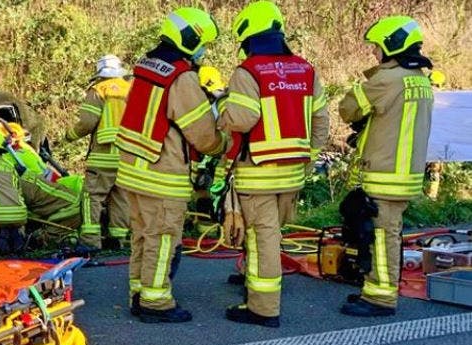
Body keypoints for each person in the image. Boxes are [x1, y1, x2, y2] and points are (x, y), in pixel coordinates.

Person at [217, 1, 330, 327]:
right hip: (293, 172)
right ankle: (254, 290)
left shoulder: (248, 72)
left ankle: (263, 308)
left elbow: (242, 117)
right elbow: (320, 119)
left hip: (259, 173)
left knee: (262, 238)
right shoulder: (306, 70)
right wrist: (308, 157)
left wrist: (223, 108)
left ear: (249, 36)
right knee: (271, 235)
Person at [115, 7, 229, 323]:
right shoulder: (181, 76)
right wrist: (224, 144)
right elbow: (203, 134)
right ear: (190, 39)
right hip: (161, 173)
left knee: (142, 236)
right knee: (163, 238)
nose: (204, 50)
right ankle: (156, 302)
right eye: (203, 42)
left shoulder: (146, 67)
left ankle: (139, 293)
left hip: (133, 170)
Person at [337, 15, 434, 317]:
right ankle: (373, 289)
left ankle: (381, 298)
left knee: (380, 237)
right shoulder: (421, 80)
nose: (374, 53)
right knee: (385, 234)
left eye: (377, 48)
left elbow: (347, 109)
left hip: (384, 174)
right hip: (405, 175)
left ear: (392, 46)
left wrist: (369, 77)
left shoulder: (386, 79)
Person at [66, 54, 131, 253]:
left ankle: (90, 241)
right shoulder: (132, 89)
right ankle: (117, 240)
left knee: (92, 196)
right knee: (121, 197)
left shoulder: (98, 90)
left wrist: (69, 136)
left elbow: (87, 122)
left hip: (103, 155)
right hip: (128, 155)